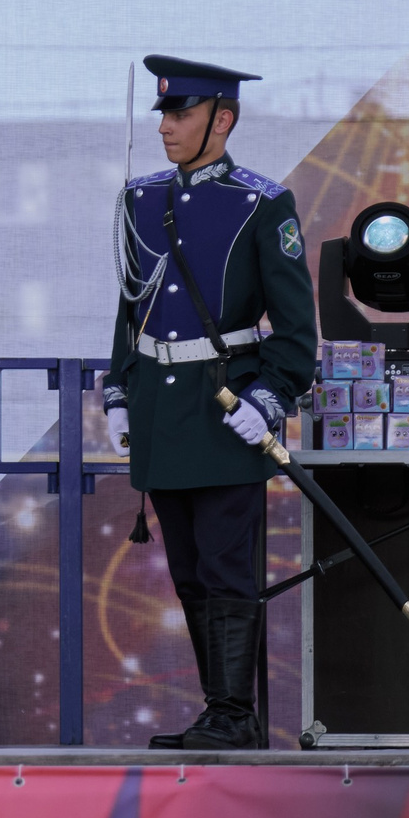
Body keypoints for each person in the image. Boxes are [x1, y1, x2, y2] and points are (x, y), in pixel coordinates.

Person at [104, 55, 318, 751]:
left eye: (181, 112)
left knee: (227, 569)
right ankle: (219, 708)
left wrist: (269, 394)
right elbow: (131, 305)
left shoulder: (263, 203)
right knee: (190, 571)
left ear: (222, 119)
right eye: (163, 112)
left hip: (226, 410)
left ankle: (234, 714)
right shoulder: (141, 198)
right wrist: (116, 388)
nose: (166, 125)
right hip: (162, 409)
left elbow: (296, 333)